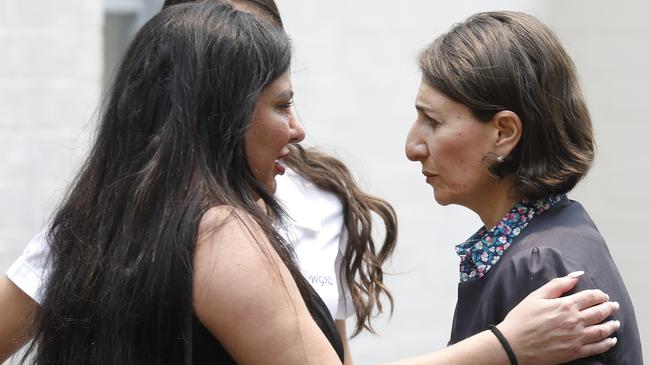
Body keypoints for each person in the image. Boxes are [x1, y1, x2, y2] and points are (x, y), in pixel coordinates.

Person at [0, 2, 621, 365]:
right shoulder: (217, 230)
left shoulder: (105, 211)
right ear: (219, 110)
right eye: (280, 105)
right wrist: (504, 346)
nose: (298, 130)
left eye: (432, 120)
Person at [406, 11, 642, 364]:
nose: (412, 147)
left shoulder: (542, 266)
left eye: (434, 121)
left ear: (503, 132)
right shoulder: (545, 241)